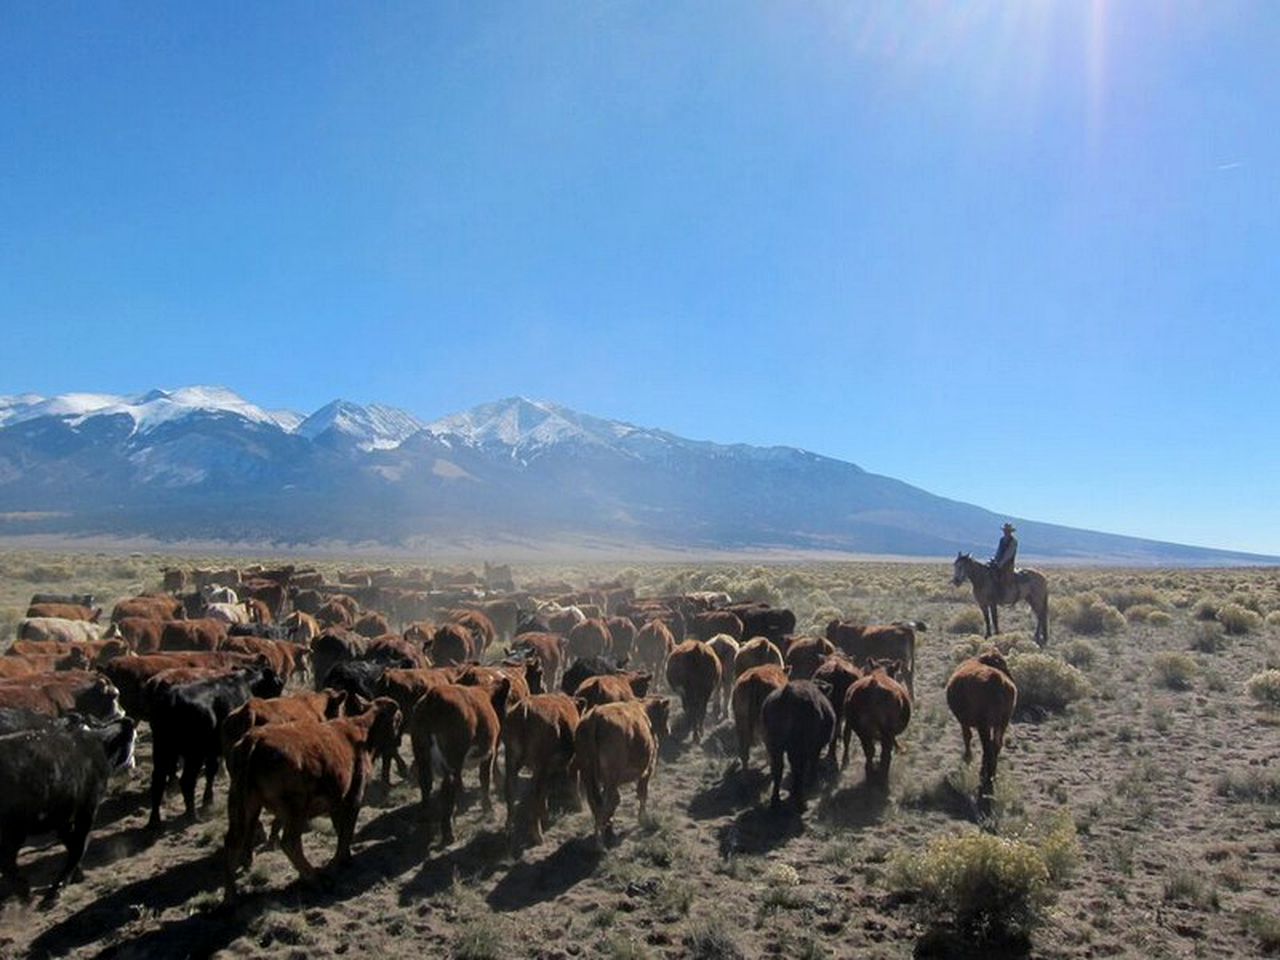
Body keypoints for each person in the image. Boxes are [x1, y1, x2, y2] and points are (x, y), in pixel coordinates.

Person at [990, 522, 1018, 594]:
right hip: (999, 562)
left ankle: (1004, 593)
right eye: (1005, 531)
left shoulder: (1013, 541)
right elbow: (999, 551)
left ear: (1010, 532)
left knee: (1004, 577)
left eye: (1007, 531)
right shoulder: (1002, 540)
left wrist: (1001, 563)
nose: (1006, 532)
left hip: (1008, 564)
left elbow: (1009, 554)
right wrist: (995, 559)